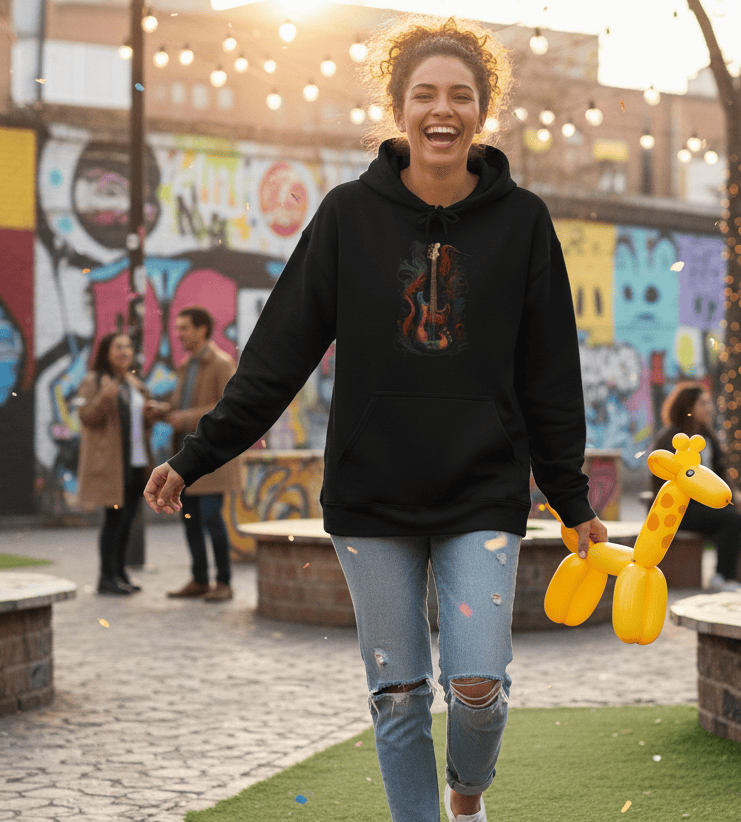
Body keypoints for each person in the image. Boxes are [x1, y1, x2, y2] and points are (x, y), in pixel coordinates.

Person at [144, 16, 606, 822]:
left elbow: (550, 376)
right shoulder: (346, 216)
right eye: (424, 93)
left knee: (477, 689)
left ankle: (467, 794)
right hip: (372, 494)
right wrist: (194, 454)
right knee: (397, 698)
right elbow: (277, 356)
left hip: (482, 492)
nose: (442, 109)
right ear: (399, 110)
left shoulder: (523, 221)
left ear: (480, 113)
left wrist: (573, 501)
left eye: (461, 96)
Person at [146, 307, 240, 601]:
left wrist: (185, 417)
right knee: (189, 519)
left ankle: (223, 582)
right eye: (178, 328)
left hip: (212, 461)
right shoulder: (185, 366)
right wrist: (161, 411)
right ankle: (200, 579)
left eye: (184, 328)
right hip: (186, 458)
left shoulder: (222, 363)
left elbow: (228, 408)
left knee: (212, 518)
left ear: (202, 329)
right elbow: (177, 407)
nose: (179, 334)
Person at [76, 332, 156, 595]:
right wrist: (104, 397)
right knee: (114, 520)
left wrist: (151, 412)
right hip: (112, 465)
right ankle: (106, 577)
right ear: (106, 352)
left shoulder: (132, 383)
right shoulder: (94, 381)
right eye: (118, 346)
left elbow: (140, 423)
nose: (124, 351)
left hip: (135, 462)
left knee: (128, 519)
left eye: (128, 346)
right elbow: (86, 416)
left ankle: (120, 573)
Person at [651, 382, 741, 592]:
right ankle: (724, 577)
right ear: (688, 407)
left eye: (709, 403)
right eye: (703, 403)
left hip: (705, 506)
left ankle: (723, 575)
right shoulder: (671, 438)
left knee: (732, 515)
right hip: (679, 508)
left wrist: (733, 495)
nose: (709, 408)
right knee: (731, 519)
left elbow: (721, 472)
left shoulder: (708, 436)